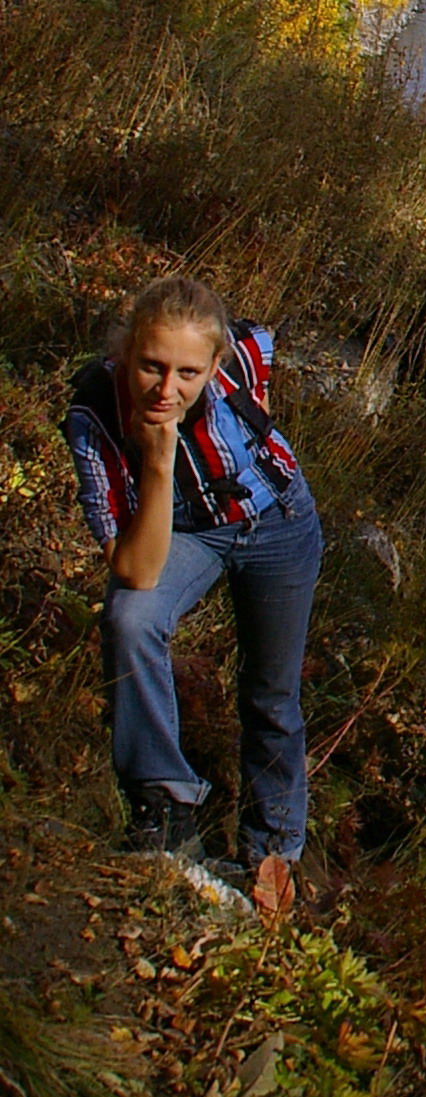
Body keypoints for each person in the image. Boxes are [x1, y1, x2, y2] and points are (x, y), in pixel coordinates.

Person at [64, 273, 323, 906]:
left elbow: (261, 344)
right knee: (130, 619)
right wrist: (158, 459)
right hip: (183, 533)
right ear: (128, 353)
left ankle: (273, 853)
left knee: (271, 696)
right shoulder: (95, 415)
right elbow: (138, 570)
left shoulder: (243, 357)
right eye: (152, 366)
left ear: (214, 364)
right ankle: (165, 803)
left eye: (187, 373)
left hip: (280, 522)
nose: (168, 388)